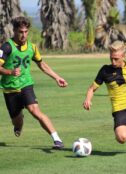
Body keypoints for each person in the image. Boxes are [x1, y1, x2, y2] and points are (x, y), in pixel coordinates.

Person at [0, 16, 67, 149]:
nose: (23, 35)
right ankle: (19, 124)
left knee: (35, 110)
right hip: (10, 89)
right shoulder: (7, 47)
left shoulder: (32, 47)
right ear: (14, 30)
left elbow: (42, 65)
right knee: (17, 122)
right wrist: (10, 72)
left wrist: (57, 77)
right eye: (20, 32)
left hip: (26, 85)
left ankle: (57, 140)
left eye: (26, 32)